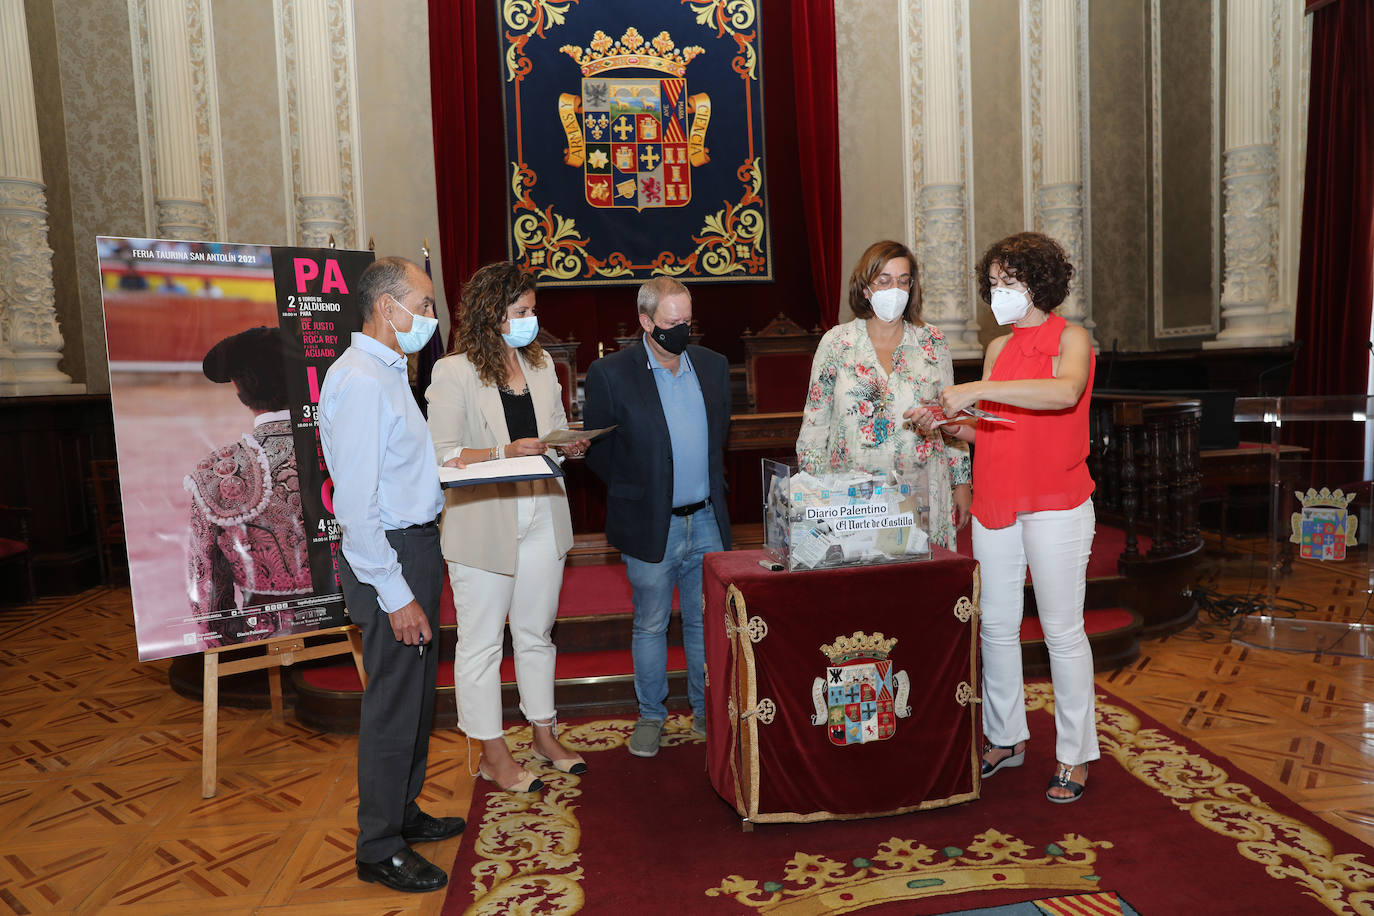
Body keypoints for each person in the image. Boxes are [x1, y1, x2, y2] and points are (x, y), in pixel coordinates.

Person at [908, 231, 1098, 804]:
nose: (998, 294)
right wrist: (945, 426)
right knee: (994, 628)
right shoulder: (996, 349)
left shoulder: (1073, 339)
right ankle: (1006, 737)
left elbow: (1062, 395)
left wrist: (978, 389)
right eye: (993, 284)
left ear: (1039, 284)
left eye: (1007, 282)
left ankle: (1073, 754)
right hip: (996, 501)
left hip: (1056, 502)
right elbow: (991, 433)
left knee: (1063, 633)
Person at [319, 256, 464, 894]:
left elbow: (402, 467)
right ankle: (378, 845)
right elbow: (355, 507)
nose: (431, 319)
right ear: (387, 308)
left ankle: (402, 812)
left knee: (414, 696)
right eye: (425, 305)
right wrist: (397, 592)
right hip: (390, 558)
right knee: (391, 704)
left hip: (414, 546)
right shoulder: (357, 380)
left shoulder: (389, 370)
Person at [426, 261, 590, 793]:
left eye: (533, 310)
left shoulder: (542, 366)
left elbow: (547, 440)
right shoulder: (453, 372)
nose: (531, 319)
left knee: (537, 633)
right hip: (483, 521)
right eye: (521, 311)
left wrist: (568, 444)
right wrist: (503, 451)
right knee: (481, 643)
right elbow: (443, 457)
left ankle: (544, 734)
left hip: (543, 510)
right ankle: (493, 752)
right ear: (491, 313)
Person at [583, 276, 732, 758]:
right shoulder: (611, 373)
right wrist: (639, 493)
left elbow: (719, 439)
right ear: (646, 322)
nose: (682, 330)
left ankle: (706, 709)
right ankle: (651, 715)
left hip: (707, 519)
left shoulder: (713, 366)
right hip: (651, 523)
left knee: (701, 622)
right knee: (649, 623)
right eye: (672, 323)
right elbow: (599, 454)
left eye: (688, 321)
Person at [796, 239, 971, 548]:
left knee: (924, 588)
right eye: (884, 281)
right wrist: (815, 493)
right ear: (866, 288)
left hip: (924, 491)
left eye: (903, 281)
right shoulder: (836, 343)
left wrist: (962, 482)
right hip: (853, 496)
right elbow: (814, 424)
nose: (895, 290)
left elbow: (951, 417)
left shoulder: (933, 341)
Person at [185, 326, 309, 644]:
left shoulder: (218, 472)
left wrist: (229, 651)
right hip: (364, 629)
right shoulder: (345, 445)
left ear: (239, 388)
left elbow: (207, 588)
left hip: (267, 643)